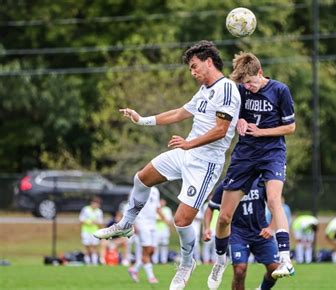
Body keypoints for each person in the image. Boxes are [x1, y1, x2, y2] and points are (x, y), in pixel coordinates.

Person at [93, 40, 241, 290]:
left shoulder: (226, 89)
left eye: (194, 67)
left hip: (205, 165)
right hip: (186, 153)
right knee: (142, 177)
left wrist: (189, 143)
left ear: (208, 62)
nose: (192, 72)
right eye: (190, 69)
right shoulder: (204, 91)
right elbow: (177, 114)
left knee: (181, 221)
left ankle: (186, 263)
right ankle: (126, 224)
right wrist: (142, 120)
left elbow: (221, 130)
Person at [208, 51, 296, 289]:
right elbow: (230, 115)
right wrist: (238, 121)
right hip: (245, 155)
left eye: (251, 82)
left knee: (274, 200)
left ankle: (286, 259)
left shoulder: (280, 90)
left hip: (272, 153)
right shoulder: (240, 90)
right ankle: (219, 261)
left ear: (260, 72)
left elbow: (290, 127)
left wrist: (261, 131)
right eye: (244, 83)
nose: (248, 87)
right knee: (224, 216)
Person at [204, 178, 280, 290]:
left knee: (275, 269)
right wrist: (206, 228)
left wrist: (271, 227)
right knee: (239, 271)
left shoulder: (260, 181)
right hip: (238, 234)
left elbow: (276, 205)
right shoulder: (227, 183)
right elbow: (210, 207)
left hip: (261, 232)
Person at [127, 186, 163, 284]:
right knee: (146, 250)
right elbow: (131, 208)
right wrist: (134, 223)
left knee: (152, 251)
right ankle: (151, 277)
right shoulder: (136, 189)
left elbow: (157, 207)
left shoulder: (156, 190)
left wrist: (166, 219)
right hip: (141, 222)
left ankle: (134, 269)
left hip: (153, 223)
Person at [79, 196, 103, 265]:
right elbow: (81, 220)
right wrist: (88, 222)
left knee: (94, 246)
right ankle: (87, 261)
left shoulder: (99, 211)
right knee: (87, 245)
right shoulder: (86, 209)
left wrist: (96, 223)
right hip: (86, 230)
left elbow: (100, 222)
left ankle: (94, 261)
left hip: (94, 231)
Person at [153, 198, 173, 264]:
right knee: (155, 245)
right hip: (156, 229)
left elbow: (169, 219)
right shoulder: (155, 209)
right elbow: (155, 218)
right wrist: (163, 218)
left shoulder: (167, 209)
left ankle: (163, 260)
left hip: (165, 229)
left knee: (164, 245)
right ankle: (155, 260)